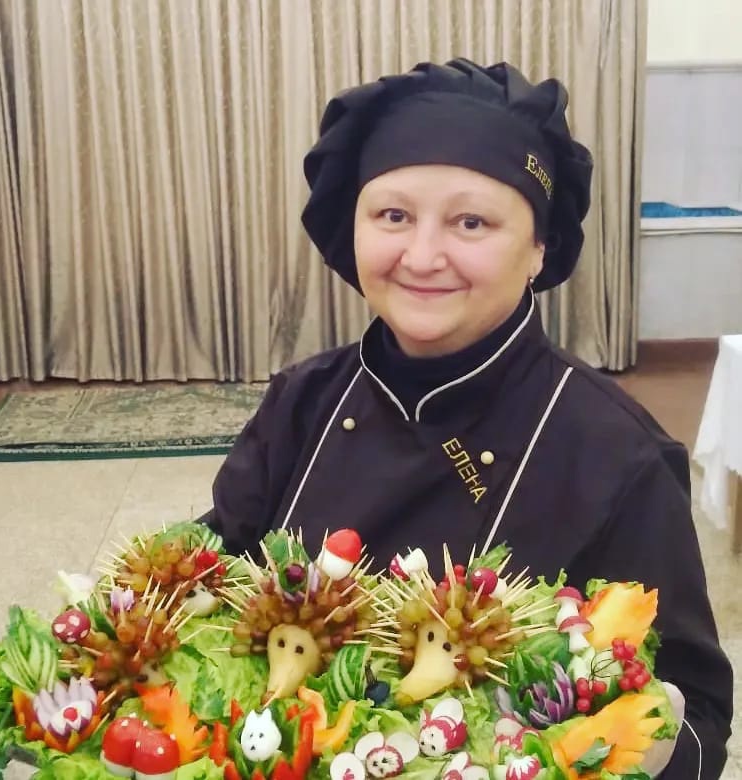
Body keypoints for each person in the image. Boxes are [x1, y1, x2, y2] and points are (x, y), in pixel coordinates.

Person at [201, 59, 732, 778]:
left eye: (471, 222)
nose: (422, 257)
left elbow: (693, 716)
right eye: (393, 216)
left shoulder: (616, 455)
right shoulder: (302, 400)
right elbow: (215, 574)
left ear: (539, 246)